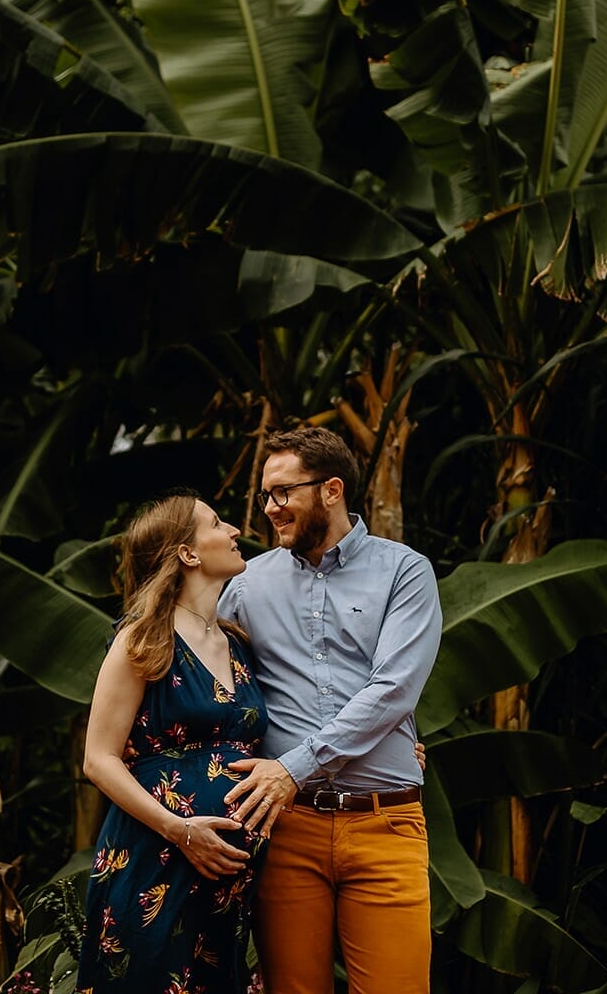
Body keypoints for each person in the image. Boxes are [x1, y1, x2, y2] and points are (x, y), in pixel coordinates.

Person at [219, 426, 442, 994]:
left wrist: (292, 767)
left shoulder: (405, 571)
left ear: (332, 490)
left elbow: (394, 688)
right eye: (265, 495)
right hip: (287, 829)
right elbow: (200, 673)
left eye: (281, 493)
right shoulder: (246, 584)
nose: (269, 509)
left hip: (385, 821)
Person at [76, 494, 265, 994]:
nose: (234, 530)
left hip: (229, 882)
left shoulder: (239, 640)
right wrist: (180, 830)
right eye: (217, 523)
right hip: (156, 859)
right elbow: (98, 759)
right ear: (188, 554)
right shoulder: (143, 638)